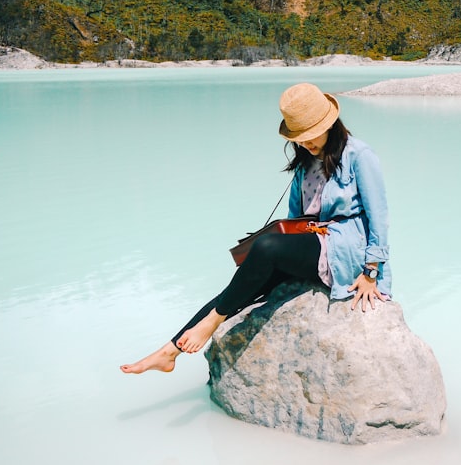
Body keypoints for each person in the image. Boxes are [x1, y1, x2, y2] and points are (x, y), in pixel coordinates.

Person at [121, 83, 391, 374]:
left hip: (344, 247)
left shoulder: (359, 155)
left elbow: (379, 216)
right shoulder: (305, 162)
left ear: (330, 125)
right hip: (311, 244)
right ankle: (169, 351)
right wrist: (285, 247)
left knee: (265, 249)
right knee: (245, 280)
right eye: (300, 139)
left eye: (310, 137)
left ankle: (212, 322)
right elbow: (294, 217)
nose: (306, 144)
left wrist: (371, 273)